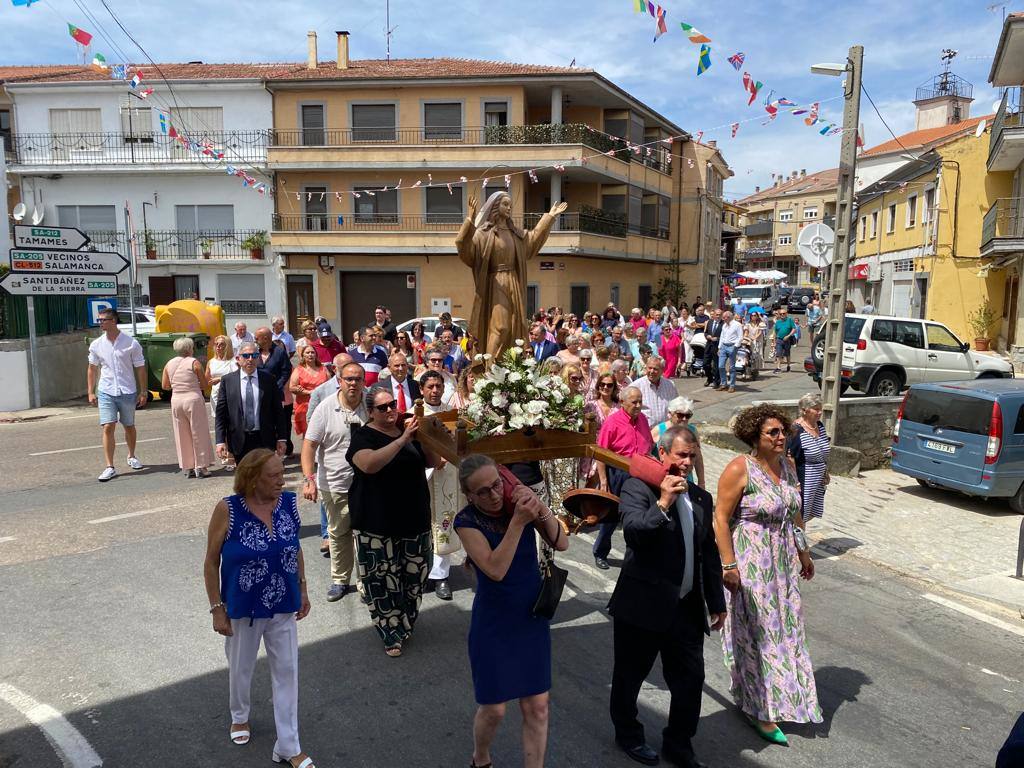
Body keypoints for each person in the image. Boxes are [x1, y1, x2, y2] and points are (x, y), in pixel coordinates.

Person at [608, 426, 726, 768]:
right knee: (630, 676)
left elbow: (708, 553)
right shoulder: (638, 488)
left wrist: (716, 603)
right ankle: (628, 735)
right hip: (642, 607)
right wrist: (663, 502)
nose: (687, 462)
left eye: (692, 456)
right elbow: (634, 533)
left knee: (690, 681)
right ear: (663, 454)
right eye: (681, 455)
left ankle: (678, 743)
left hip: (685, 608)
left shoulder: (701, 497)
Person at [713, 404, 822, 745]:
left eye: (782, 431)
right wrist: (728, 565)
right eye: (772, 433)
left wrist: (804, 552)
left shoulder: (789, 466)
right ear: (754, 438)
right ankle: (759, 708)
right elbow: (720, 519)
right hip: (751, 561)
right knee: (758, 634)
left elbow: (797, 516)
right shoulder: (738, 469)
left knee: (786, 632)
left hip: (783, 563)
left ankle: (776, 697)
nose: (781, 437)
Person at [454, 454, 568, 768]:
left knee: (538, 707)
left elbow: (561, 543)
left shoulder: (516, 503)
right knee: (494, 709)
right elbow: (495, 569)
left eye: (496, 486)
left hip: (530, 617)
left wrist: (539, 507)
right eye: (483, 492)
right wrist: (518, 521)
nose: (493, 496)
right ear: (469, 496)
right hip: (494, 623)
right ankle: (481, 757)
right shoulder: (466, 521)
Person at [202, 449, 313, 768]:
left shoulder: (289, 504)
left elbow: (295, 548)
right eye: (274, 476)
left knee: (288, 672)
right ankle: (239, 716)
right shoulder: (229, 509)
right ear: (252, 479)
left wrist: (303, 588)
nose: (282, 480)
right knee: (241, 668)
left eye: (282, 474)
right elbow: (211, 562)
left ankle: (289, 746)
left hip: (283, 604)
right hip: (242, 608)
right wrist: (216, 608)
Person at [346, 386, 442, 656]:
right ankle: (390, 633)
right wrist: (403, 441)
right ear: (370, 412)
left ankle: (405, 622)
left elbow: (435, 461)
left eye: (392, 405)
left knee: (416, 575)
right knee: (381, 580)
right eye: (382, 408)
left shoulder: (409, 431)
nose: (390, 411)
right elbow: (369, 464)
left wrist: (426, 437)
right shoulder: (363, 436)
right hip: (376, 523)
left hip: (414, 518)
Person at [457, 192, 566, 357]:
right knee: (501, 328)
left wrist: (549, 217)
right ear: (495, 206)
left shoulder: (515, 234)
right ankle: (490, 370)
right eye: (505, 204)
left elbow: (533, 239)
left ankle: (507, 366)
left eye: (510, 205)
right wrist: (469, 221)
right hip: (495, 283)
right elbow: (465, 250)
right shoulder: (483, 233)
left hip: (513, 282)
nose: (509, 208)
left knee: (514, 327)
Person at [302, 362, 368, 603]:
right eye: (348, 379)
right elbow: (309, 447)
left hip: (367, 485)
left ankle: (365, 583)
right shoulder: (325, 409)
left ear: (364, 382)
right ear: (339, 380)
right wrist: (309, 480)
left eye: (357, 379)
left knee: (365, 535)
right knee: (339, 534)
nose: (353, 383)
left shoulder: (370, 405)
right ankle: (340, 580)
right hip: (335, 483)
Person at [592, 386, 653, 570]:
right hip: (618, 473)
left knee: (637, 516)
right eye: (634, 402)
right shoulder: (613, 422)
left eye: (640, 401)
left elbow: (648, 444)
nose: (638, 405)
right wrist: (603, 482)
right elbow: (600, 453)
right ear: (623, 402)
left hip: (639, 473)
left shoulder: (642, 419)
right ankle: (600, 553)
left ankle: (634, 557)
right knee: (611, 517)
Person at [87, 308, 147, 482]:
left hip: (127, 391)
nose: (100, 323)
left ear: (113, 320)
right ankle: (109, 466)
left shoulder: (131, 343)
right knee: (108, 426)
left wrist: (143, 391)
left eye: (103, 320)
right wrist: (90, 391)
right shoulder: (96, 344)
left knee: (129, 425)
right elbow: (92, 369)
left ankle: (132, 455)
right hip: (106, 390)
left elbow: (140, 368)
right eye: (99, 320)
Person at [418, 369, 459, 601]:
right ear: (422, 389)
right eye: (430, 387)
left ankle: (441, 576)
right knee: (424, 527)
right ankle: (424, 573)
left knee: (444, 523)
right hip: (423, 476)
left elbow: (456, 443)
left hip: (445, 476)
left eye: (438, 386)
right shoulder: (414, 413)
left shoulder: (451, 414)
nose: (434, 391)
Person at [215, 342, 289, 465]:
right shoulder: (228, 381)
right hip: (239, 438)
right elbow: (221, 414)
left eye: (254, 355)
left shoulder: (269, 379)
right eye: (246, 356)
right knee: (244, 478)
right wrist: (220, 441)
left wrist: (282, 438)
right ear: (238, 359)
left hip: (264, 438)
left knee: (264, 477)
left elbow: (278, 411)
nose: (250, 359)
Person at [161, 336, 214, 478]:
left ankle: (188, 466)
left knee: (181, 433)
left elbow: (165, 386)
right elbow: (204, 385)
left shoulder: (169, 364)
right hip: (193, 398)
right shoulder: (194, 363)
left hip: (177, 399)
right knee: (198, 432)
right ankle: (201, 466)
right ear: (190, 348)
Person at [787, 393, 831, 523]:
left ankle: (800, 539)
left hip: (818, 478)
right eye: (816, 409)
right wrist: (795, 482)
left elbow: (823, 452)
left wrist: (825, 471)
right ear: (804, 410)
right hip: (804, 477)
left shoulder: (820, 426)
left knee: (810, 512)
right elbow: (790, 457)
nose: (820, 412)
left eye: (820, 408)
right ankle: (797, 541)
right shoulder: (795, 429)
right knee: (799, 514)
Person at [255, 326, 295, 456]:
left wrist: (277, 385)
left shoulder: (279, 352)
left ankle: (280, 450)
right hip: (258, 393)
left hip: (276, 394)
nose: (255, 340)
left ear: (265, 338)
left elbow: (286, 370)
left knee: (279, 421)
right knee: (265, 422)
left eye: (257, 338)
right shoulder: (255, 352)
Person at [650, 396, 705, 487]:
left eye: (687, 415)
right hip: (662, 479)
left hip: (686, 479)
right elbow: (647, 454)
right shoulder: (658, 430)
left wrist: (701, 482)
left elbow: (698, 457)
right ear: (670, 414)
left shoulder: (692, 431)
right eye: (680, 415)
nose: (684, 419)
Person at [289, 346, 329, 436]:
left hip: (322, 404)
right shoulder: (298, 370)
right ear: (303, 355)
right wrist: (309, 392)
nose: (310, 354)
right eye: (307, 353)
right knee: (308, 435)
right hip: (304, 406)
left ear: (316, 355)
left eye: (312, 352)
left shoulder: (323, 369)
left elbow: (329, 385)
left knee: (323, 432)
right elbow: (292, 387)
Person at [631, 357, 677, 426]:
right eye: (649, 368)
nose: (651, 371)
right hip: (645, 431)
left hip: (666, 431)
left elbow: (676, 406)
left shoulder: (670, 385)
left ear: (662, 370)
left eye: (655, 369)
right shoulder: (636, 386)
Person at [717, 310, 744, 392]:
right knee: (721, 366)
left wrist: (735, 347)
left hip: (732, 346)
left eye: (724, 318)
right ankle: (724, 384)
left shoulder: (737, 325)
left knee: (732, 367)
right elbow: (722, 336)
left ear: (729, 317)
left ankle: (732, 385)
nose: (723, 320)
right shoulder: (724, 325)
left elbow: (740, 337)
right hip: (724, 346)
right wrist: (719, 347)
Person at [772, 307, 797, 373]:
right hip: (779, 339)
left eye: (783, 313)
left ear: (786, 314)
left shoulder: (789, 320)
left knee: (787, 353)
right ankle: (778, 367)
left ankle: (788, 365)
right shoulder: (778, 322)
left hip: (787, 340)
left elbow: (794, 329)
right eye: (781, 314)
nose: (782, 315)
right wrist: (774, 341)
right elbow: (775, 332)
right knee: (778, 353)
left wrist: (788, 336)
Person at [703, 309, 723, 387]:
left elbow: (725, 336)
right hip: (709, 346)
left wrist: (717, 339)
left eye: (719, 315)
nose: (718, 316)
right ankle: (709, 378)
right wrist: (707, 336)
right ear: (713, 315)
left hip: (717, 346)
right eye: (717, 314)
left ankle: (716, 381)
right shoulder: (710, 322)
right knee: (705, 364)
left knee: (716, 365)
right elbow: (706, 332)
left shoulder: (723, 324)